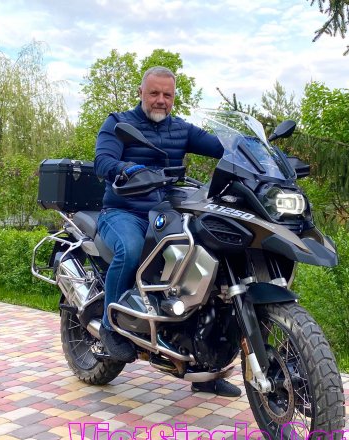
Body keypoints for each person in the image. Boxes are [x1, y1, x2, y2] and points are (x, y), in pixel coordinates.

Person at [94, 66, 241, 397]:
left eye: (167, 95)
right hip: (124, 211)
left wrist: (253, 149)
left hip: (165, 213)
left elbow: (221, 147)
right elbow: (102, 162)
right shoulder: (118, 122)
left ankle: (206, 370)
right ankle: (109, 326)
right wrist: (127, 168)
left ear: (174, 98)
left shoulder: (181, 130)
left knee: (208, 268)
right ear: (141, 93)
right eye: (154, 93)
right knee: (131, 249)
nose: (160, 100)